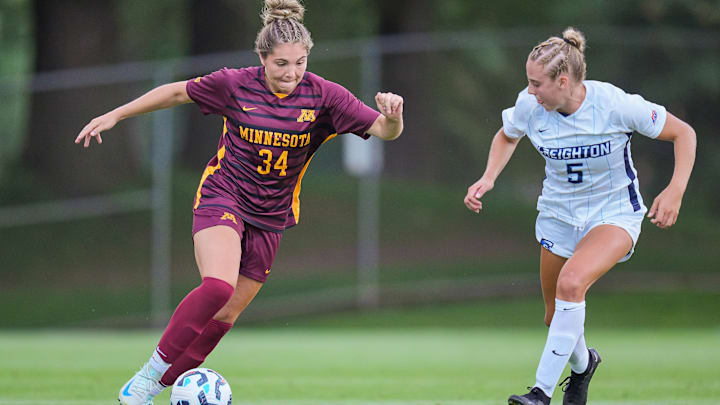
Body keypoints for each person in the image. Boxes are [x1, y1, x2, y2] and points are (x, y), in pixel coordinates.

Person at [75, 1, 404, 403]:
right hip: (223, 196)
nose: (291, 73)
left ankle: (154, 391)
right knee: (216, 287)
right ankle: (148, 375)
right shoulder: (234, 84)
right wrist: (116, 115)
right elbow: (177, 92)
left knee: (225, 316)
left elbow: (384, 131)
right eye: (281, 63)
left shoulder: (325, 97)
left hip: (271, 217)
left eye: (300, 63)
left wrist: (394, 116)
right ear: (262, 58)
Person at [464, 27, 695, 405]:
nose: (530, 91)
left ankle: (540, 393)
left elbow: (683, 134)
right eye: (529, 82)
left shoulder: (614, 105)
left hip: (614, 213)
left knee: (571, 284)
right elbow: (508, 135)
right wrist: (488, 177)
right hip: (557, 216)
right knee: (554, 316)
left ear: (564, 80)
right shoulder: (530, 105)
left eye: (536, 83)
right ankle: (584, 364)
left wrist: (675, 189)